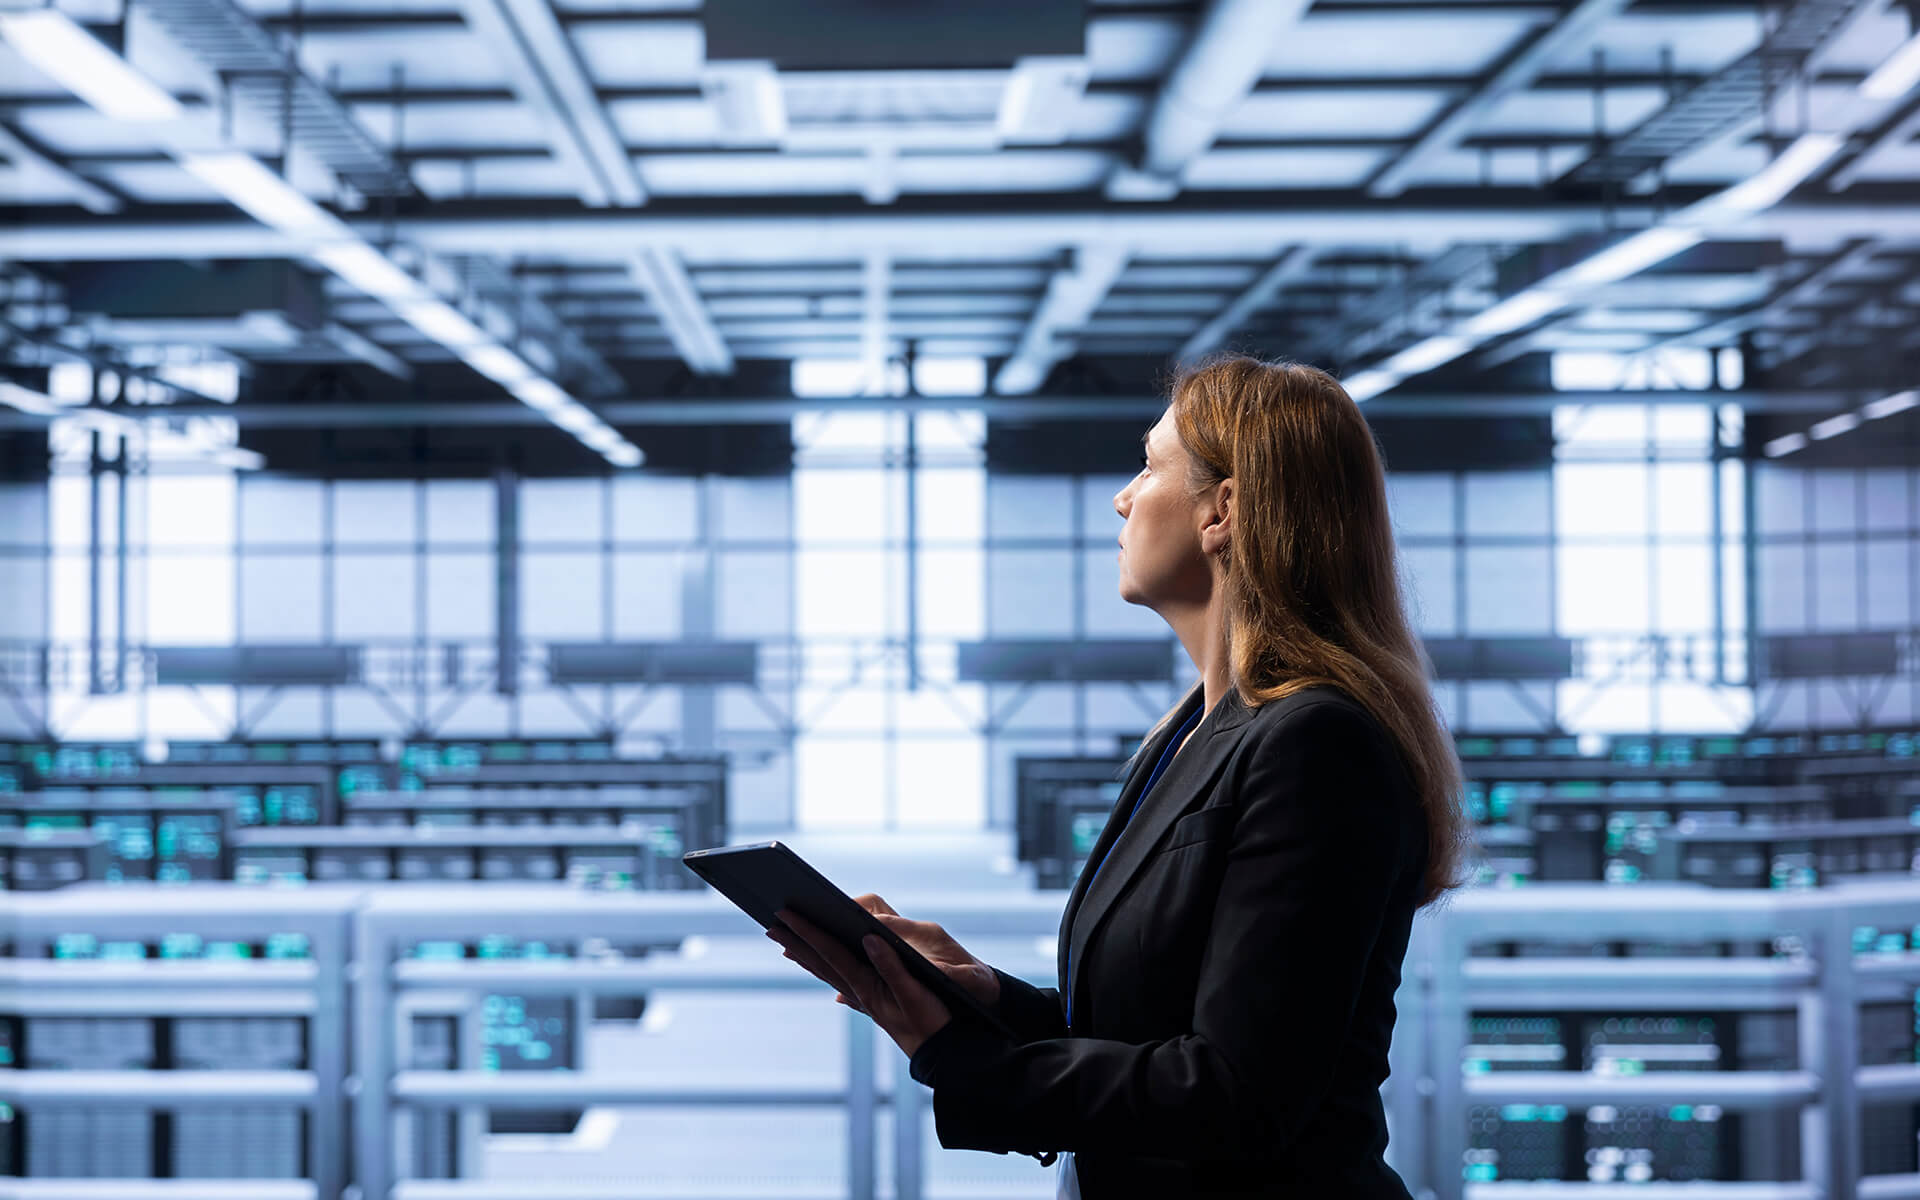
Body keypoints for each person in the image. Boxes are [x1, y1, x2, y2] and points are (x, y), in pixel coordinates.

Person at [768, 355, 1472, 1198]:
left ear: (1225, 510)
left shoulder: (1318, 744)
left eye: (1149, 465)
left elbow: (1239, 1096)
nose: (1123, 497)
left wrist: (961, 1060)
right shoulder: (1190, 732)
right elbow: (1149, 1030)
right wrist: (978, 995)